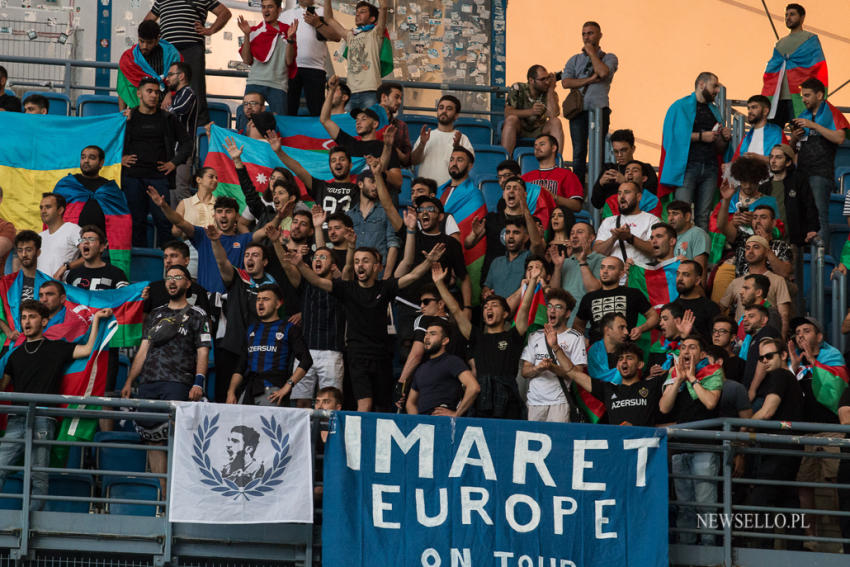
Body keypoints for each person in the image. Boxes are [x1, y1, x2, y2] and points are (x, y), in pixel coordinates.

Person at [293, 240, 446, 412]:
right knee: (364, 404)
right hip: (357, 355)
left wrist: (428, 261)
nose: (360, 265)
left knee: (382, 405)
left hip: (382, 355)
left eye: (365, 261)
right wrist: (299, 264)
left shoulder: (385, 287)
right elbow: (317, 281)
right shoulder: (346, 288)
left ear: (376, 266)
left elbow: (413, 276)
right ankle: (357, 440)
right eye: (357, 261)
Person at [0, 301, 112, 509]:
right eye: (24, 317)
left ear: (44, 321)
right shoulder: (14, 355)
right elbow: (2, 388)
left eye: (32, 317)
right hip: (17, 418)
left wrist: (96, 319)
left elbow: (88, 349)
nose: (27, 322)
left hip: (43, 419)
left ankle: (29, 527)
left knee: (39, 476)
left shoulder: (57, 347)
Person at [121, 264, 211, 493]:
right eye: (168, 278)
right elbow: (143, 350)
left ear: (188, 283)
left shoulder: (198, 314)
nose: (172, 282)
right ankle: (163, 495)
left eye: (178, 277)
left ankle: (180, 494)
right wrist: (130, 380)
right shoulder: (156, 314)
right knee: (153, 439)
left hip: (178, 382)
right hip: (149, 383)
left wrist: (198, 382)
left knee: (178, 439)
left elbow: (203, 350)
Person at [433, 264, 536, 419]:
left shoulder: (514, 336)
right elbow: (455, 310)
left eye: (494, 305)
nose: (489, 308)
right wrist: (439, 283)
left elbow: (525, 308)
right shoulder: (476, 336)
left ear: (505, 313)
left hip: (509, 399)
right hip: (482, 399)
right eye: (486, 306)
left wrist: (533, 281)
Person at [787, 316, 847, 548]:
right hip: (806, 433)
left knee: (833, 483)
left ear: (820, 337)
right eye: (798, 331)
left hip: (832, 432)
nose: (800, 335)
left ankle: (837, 537)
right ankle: (811, 539)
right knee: (804, 483)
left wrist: (813, 361)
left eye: (807, 330)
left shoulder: (833, 358)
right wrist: (793, 368)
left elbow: (834, 395)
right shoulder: (796, 362)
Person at [660, 334, 723, 545]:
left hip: (705, 447)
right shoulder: (674, 374)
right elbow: (664, 407)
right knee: (685, 505)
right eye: (683, 347)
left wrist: (693, 379)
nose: (686, 351)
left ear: (703, 353)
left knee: (706, 504)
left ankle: (708, 555)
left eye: (692, 347)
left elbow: (710, 402)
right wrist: (679, 379)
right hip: (679, 448)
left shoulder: (712, 372)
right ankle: (688, 553)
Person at [745, 337, 805, 547]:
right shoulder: (787, 377)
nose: (765, 361)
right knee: (788, 503)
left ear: (783, 355)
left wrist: (742, 428)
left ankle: (762, 558)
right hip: (789, 450)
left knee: (760, 503)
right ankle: (796, 556)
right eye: (761, 358)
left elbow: (767, 411)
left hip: (779, 450)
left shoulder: (779, 375)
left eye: (769, 356)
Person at [394, 198, 470, 359]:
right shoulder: (411, 236)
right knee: (406, 354)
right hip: (407, 306)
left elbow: (464, 277)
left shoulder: (451, 244)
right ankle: (404, 384)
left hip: (435, 308)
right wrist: (411, 231)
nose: (425, 213)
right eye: (421, 210)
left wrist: (467, 308)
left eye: (430, 209)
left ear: (441, 217)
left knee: (434, 352)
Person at [122, 78, 193, 247]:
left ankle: (167, 264)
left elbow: (188, 143)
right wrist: (120, 159)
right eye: (149, 91)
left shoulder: (168, 118)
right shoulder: (127, 118)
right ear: (139, 93)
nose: (154, 95)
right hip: (133, 178)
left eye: (157, 92)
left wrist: (174, 163)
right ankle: (140, 263)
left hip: (159, 178)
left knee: (163, 222)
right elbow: (109, 142)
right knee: (136, 222)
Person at [151, 191, 266, 294]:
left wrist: (278, 218)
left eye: (228, 211)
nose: (223, 215)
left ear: (236, 216)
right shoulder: (203, 235)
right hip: (206, 300)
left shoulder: (245, 239)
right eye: (219, 211)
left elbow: (265, 231)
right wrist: (164, 206)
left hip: (234, 301)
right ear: (214, 215)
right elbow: (180, 222)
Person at [659, 72, 732, 229]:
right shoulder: (679, 106)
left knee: (703, 216)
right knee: (681, 214)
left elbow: (719, 148)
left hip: (711, 167)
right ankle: (679, 251)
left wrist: (724, 138)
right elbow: (672, 137)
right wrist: (700, 136)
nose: (717, 90)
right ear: (701, 84)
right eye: (714, 86)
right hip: (686, 168)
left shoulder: (715, 111)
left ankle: (701, 253)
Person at [144, 0, 232, 125]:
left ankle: (199, 129)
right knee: (164, 90)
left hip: (191, 48)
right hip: (167, 51)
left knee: (195, 90)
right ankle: (164, 126)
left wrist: (210, 30)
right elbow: (147, 22)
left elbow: (225, 13)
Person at [279, 246, 345, 408]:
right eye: (315, 257)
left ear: (333, 265)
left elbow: (348, 271)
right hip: (305, 352)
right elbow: (287, 266)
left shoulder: (341, 287)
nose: (317, 259)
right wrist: (275, 241)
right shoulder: (305, 285)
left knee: (331, 402)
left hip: (331, 351)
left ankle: (329, 434)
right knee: (301, 402)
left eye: (323, 257)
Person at [227, 284, 312, 406]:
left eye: (266, 299)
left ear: (278, 304)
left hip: (273, 391)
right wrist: (231, 392)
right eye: (258, 299)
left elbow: (306, 360)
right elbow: (241, 366)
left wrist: (287, 386)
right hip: (248, 390)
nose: (260, 303)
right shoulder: (251, 329)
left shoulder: (289, 328)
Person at [789, 77, 849, 244]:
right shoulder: (803, 116)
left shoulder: (833, 113)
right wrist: (793, 138)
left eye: (807, 95)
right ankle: (805, 261)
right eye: (803, 96)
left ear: (820, 95)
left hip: (820, 174)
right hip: (801, 173)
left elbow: (839, 138)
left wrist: (814, 126)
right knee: (801, 216)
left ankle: (822, 262)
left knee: (819, 217)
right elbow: (792, 149)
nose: (803, 99)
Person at [560, 21, 617, 187]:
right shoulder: (574, 59)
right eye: (584, 34)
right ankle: (578, 190)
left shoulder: (609, 57)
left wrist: (592, 53)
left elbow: (604, 72)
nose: (586, 37)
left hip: (599, 110)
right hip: (578, 111)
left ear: (600, 36)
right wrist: (590, 79)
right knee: (578, 152)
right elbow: (566, 82)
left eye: (591, 33)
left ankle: (597, 188)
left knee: (598, 152)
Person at [320, 76, 401, 189]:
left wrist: (379, 169)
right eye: (357, 120)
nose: (358, 122)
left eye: (363, 119)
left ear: (375, 124)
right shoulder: (349, 143)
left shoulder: (385, 146)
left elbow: (398, 181)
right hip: (351, 198)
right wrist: (332, 90)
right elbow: (324, 120)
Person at [520, 288, 586, 423]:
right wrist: (538, 368)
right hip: (534, 403)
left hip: (560, 402)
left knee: (558, 442)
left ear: (568, 313)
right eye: (549, 306)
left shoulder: (576, 337)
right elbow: (525, 372)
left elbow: (579, 374)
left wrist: (552, 367)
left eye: (558, 307)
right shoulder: (535, 336)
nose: (552, 310)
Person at [467, 176, 550, 282]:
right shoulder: (491, 218)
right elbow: (468, 244)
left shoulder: (532, 221)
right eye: (508, 188)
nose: (511, 190)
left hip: (521, 282)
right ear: (503, 194)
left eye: (516, 188)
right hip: (491, 283)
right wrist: (474, 234)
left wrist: (525, 210)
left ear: (525, 194)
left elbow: (539, 249)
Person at [560, 342, 663, 427]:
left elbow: (674, 374)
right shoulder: (608, 389)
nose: (624, 361)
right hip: (617, 447)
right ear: (617, 366)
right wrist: (556, 348)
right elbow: (573, 373)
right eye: (620, 359)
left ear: (640, 365)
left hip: (646, 447)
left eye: (629, 358)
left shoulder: (652, 385)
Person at [762, 3, 826, 126]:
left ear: (802, 18)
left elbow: (816, 65)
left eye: (792, 14)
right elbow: (772, 67)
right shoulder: (780, 43)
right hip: (778, 97)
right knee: (773, 129)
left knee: (799, 130)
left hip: (799, 96)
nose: (788, 17)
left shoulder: (810, 38)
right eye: (786, 15)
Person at [265, 130, 357, 215]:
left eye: (342, 159)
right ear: (330, 167)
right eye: (333, 160)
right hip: (322, 232)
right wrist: (279, 151)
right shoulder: (320, 187)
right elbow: (298, 169)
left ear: (350, 165)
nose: (337, 162)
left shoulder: (358, 190)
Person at [320, 0, 390, 109]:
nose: (357, 14)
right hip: (350, 92)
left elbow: (384, 7)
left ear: (372, 18)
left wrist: (383, 4)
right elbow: (328, 19)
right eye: (356, 12)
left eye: (362, 12)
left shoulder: (376, 33)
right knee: (350, 125)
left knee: (370, 124)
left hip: (371, 91)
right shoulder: (350, 35)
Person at [719, 237, 793, 338]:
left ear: (767, 252)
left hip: (766, 338)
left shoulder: (778, 280)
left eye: (756, 247)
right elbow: (720, 309)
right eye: (748, 248)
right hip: (740, 342)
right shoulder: (736, 282)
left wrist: (782, 340)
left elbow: (784, 316)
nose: (750, 251)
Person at [574, 256, 657, 343]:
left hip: (626, 350)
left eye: (611, 268)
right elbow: (577, 325)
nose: (605, 271)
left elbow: (653, 316)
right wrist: (583, 342)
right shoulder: (589, 298)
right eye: (602, 267)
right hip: (597, 352)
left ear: (621, 274)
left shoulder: (633, 293)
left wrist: (641, 329)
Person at [405, 320, 480, 417]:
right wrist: (418, 423)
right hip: (424, 426)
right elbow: (410, 403)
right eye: (426, 334)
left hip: (443, 424)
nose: (427, 337)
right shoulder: (421, 368)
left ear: (445, 341)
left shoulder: (452, 361)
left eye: (432, 334)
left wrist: (456, 414)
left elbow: (474, 387)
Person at [236, 0, 297, 117]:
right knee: (247, 120)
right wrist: (247, 35)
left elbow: (289, 61)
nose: (266, 10)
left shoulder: (288, 31)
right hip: (255, 82)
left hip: (278, 85)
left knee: (280, 123)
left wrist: (290, 39)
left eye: (270, 7)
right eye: (263, 7)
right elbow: (247, 60)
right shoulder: (254, 31)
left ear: (279, 10)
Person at [281, 0, 340, 116]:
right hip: (290, 68)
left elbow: (336, 36)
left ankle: (318, 134)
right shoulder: (285, 15)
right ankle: (288, 134)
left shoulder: (323, 12)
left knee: (317, 111)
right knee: (288, 109)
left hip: (315, 68)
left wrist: (318, 23)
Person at [410, 95, 474, 186]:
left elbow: (468, 167)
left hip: (451, 192)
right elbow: (414, 161)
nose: (444, 111)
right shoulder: (427, 136)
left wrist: (457, 147)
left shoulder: (463, 138)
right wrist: (422, 144)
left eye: (449, 109)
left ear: (456, 115)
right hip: (426, 192)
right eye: (441, 108)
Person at [346, 165, 400, 274]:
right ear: (360, 184)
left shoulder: (386, 211)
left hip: (379, 273)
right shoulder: (349, 215)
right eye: (372, 181)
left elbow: (393, 243)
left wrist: (387, 274)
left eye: (378, 182)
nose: (376, 186)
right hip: (355, 273)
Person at [117, 21, 182, 110]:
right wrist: (122, 115)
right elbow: (123, 89)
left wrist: (170, 94)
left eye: (149, 43)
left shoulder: (171, 55)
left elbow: (181, 81)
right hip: (139, 110)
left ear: (157, 40)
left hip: (166, 108)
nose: (144, 46)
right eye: (141, 41)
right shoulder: (128, 59)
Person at [548, 221, 603, 326]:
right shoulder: (565, 262)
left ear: (591, 238)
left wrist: (583, 262)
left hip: (587, 324)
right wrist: (558, 267)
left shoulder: (600, 260)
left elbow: (593, 290)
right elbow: (554, 292)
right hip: (563, 323)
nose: (574, 236)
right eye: (572, 233)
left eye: (580, 232)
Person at [764, 143, 819, 246]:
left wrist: (812, 228)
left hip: (794, 244)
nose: (773, 161)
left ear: (788, 162)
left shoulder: (799, 182)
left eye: (778, 157)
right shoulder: (764, 187)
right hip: (768, 243)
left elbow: (810, 207)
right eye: (771, 157)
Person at [501, 65, 562, 157]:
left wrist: (550, 90)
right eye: (542, 79)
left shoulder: (550, 93)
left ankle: (557, 162)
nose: (546, 82)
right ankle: (505, 161)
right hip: (520, 128)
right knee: (511, 119)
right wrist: (531, 112)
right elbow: (507, 112)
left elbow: (554, 114)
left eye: (547, 78)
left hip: (540, 130)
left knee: (556, 122)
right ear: (531, 80)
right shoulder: (518, 88)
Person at [593, 182, 659, 266]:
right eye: (619, 193)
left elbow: (655, 250)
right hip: (615, 276)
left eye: (627, 192)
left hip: (639, 275)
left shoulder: (651, 219)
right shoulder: (608, 221)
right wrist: (613, 238)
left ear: (639, 197)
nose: (622, 197)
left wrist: (630, 238)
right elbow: (596, 253)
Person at [591, 129, 657, 209]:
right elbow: (596, 204)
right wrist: (600, 184)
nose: (619, 155)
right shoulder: (609, 169)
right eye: (615, 151)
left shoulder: (645, 168)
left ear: (633, 149)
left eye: (623, 150)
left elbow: (652, 199)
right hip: (612, 216)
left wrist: (625, 182)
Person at [482, 215, 545, 299]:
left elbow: (537, 244)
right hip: (498, 311)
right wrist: (486, 292)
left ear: (526, 237)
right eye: (508, 232)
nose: (510, 236)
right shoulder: (496, 262)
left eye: (516, 232)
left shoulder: (530, 258)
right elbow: (486, 287)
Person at [143, 240, 211, 315]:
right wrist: (143, 302)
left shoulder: (199, 291)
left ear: (186, 260)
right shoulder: (152, 289)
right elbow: (144, 322)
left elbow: (206, 323)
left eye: (173, 256)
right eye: (165, 257)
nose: (168, 261)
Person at [521, 134, 583, 212]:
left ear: (553, 148)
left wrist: (554, 197)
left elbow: (577, 206)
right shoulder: (525, 178)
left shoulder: (567, 175)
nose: (537, 148)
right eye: (535, 146)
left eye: (542, 144)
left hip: (555, 220)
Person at [165, 62, 198, 203]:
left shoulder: (188, 92)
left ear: (182, 76)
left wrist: (162, 113)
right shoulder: (177, 95)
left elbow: (179, 110)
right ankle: (175, 224)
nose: (168, 79)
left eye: (171, 75)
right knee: (172, 191)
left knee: (181, 191)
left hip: (183, 152)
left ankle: (189, 224)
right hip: (174, 150)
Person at [732, 95, 787, 164]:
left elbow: (784, 160)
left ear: (765, 111)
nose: (750, 111)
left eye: (754, 107)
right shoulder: (746, 137)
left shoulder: (777, 133)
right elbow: (735, 160)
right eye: (748, 108)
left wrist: (759, 158)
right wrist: (727, 165)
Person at [672, 260, 719, 339]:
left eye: (686, 275)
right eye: (677, 274)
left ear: (697, 280)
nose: (679, 278)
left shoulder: (710, 308)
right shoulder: (671, 308)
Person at [38, 193, 80, 279]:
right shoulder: (39, 237)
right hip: (40, 288)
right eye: (41, 208)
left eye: (48, 207)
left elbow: (92, 254)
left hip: (63, 289)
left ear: (60, 210)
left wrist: (67, 266)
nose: (43, 211)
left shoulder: (73, 230)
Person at [666, 201, 710, 276]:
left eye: (675, 213)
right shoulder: (669, 236)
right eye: (669, 214)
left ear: (687, 216)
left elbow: (701, 269)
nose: (670, 218)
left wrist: (701, 287)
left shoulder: (698, 234)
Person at [376, 82, 411, 166]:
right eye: (396, 97)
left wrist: (390, 146)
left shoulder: (401, 126)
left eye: (401, 98)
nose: (400, 102)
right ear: (384, 97)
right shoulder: (366, 120)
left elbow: (406, 160)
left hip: (392, 172)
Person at [711, 315, 746, 383]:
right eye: (714, 331)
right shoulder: (704, 359)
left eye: (722, 331)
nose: (716, 334)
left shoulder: (740, 365)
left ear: (732, 337)